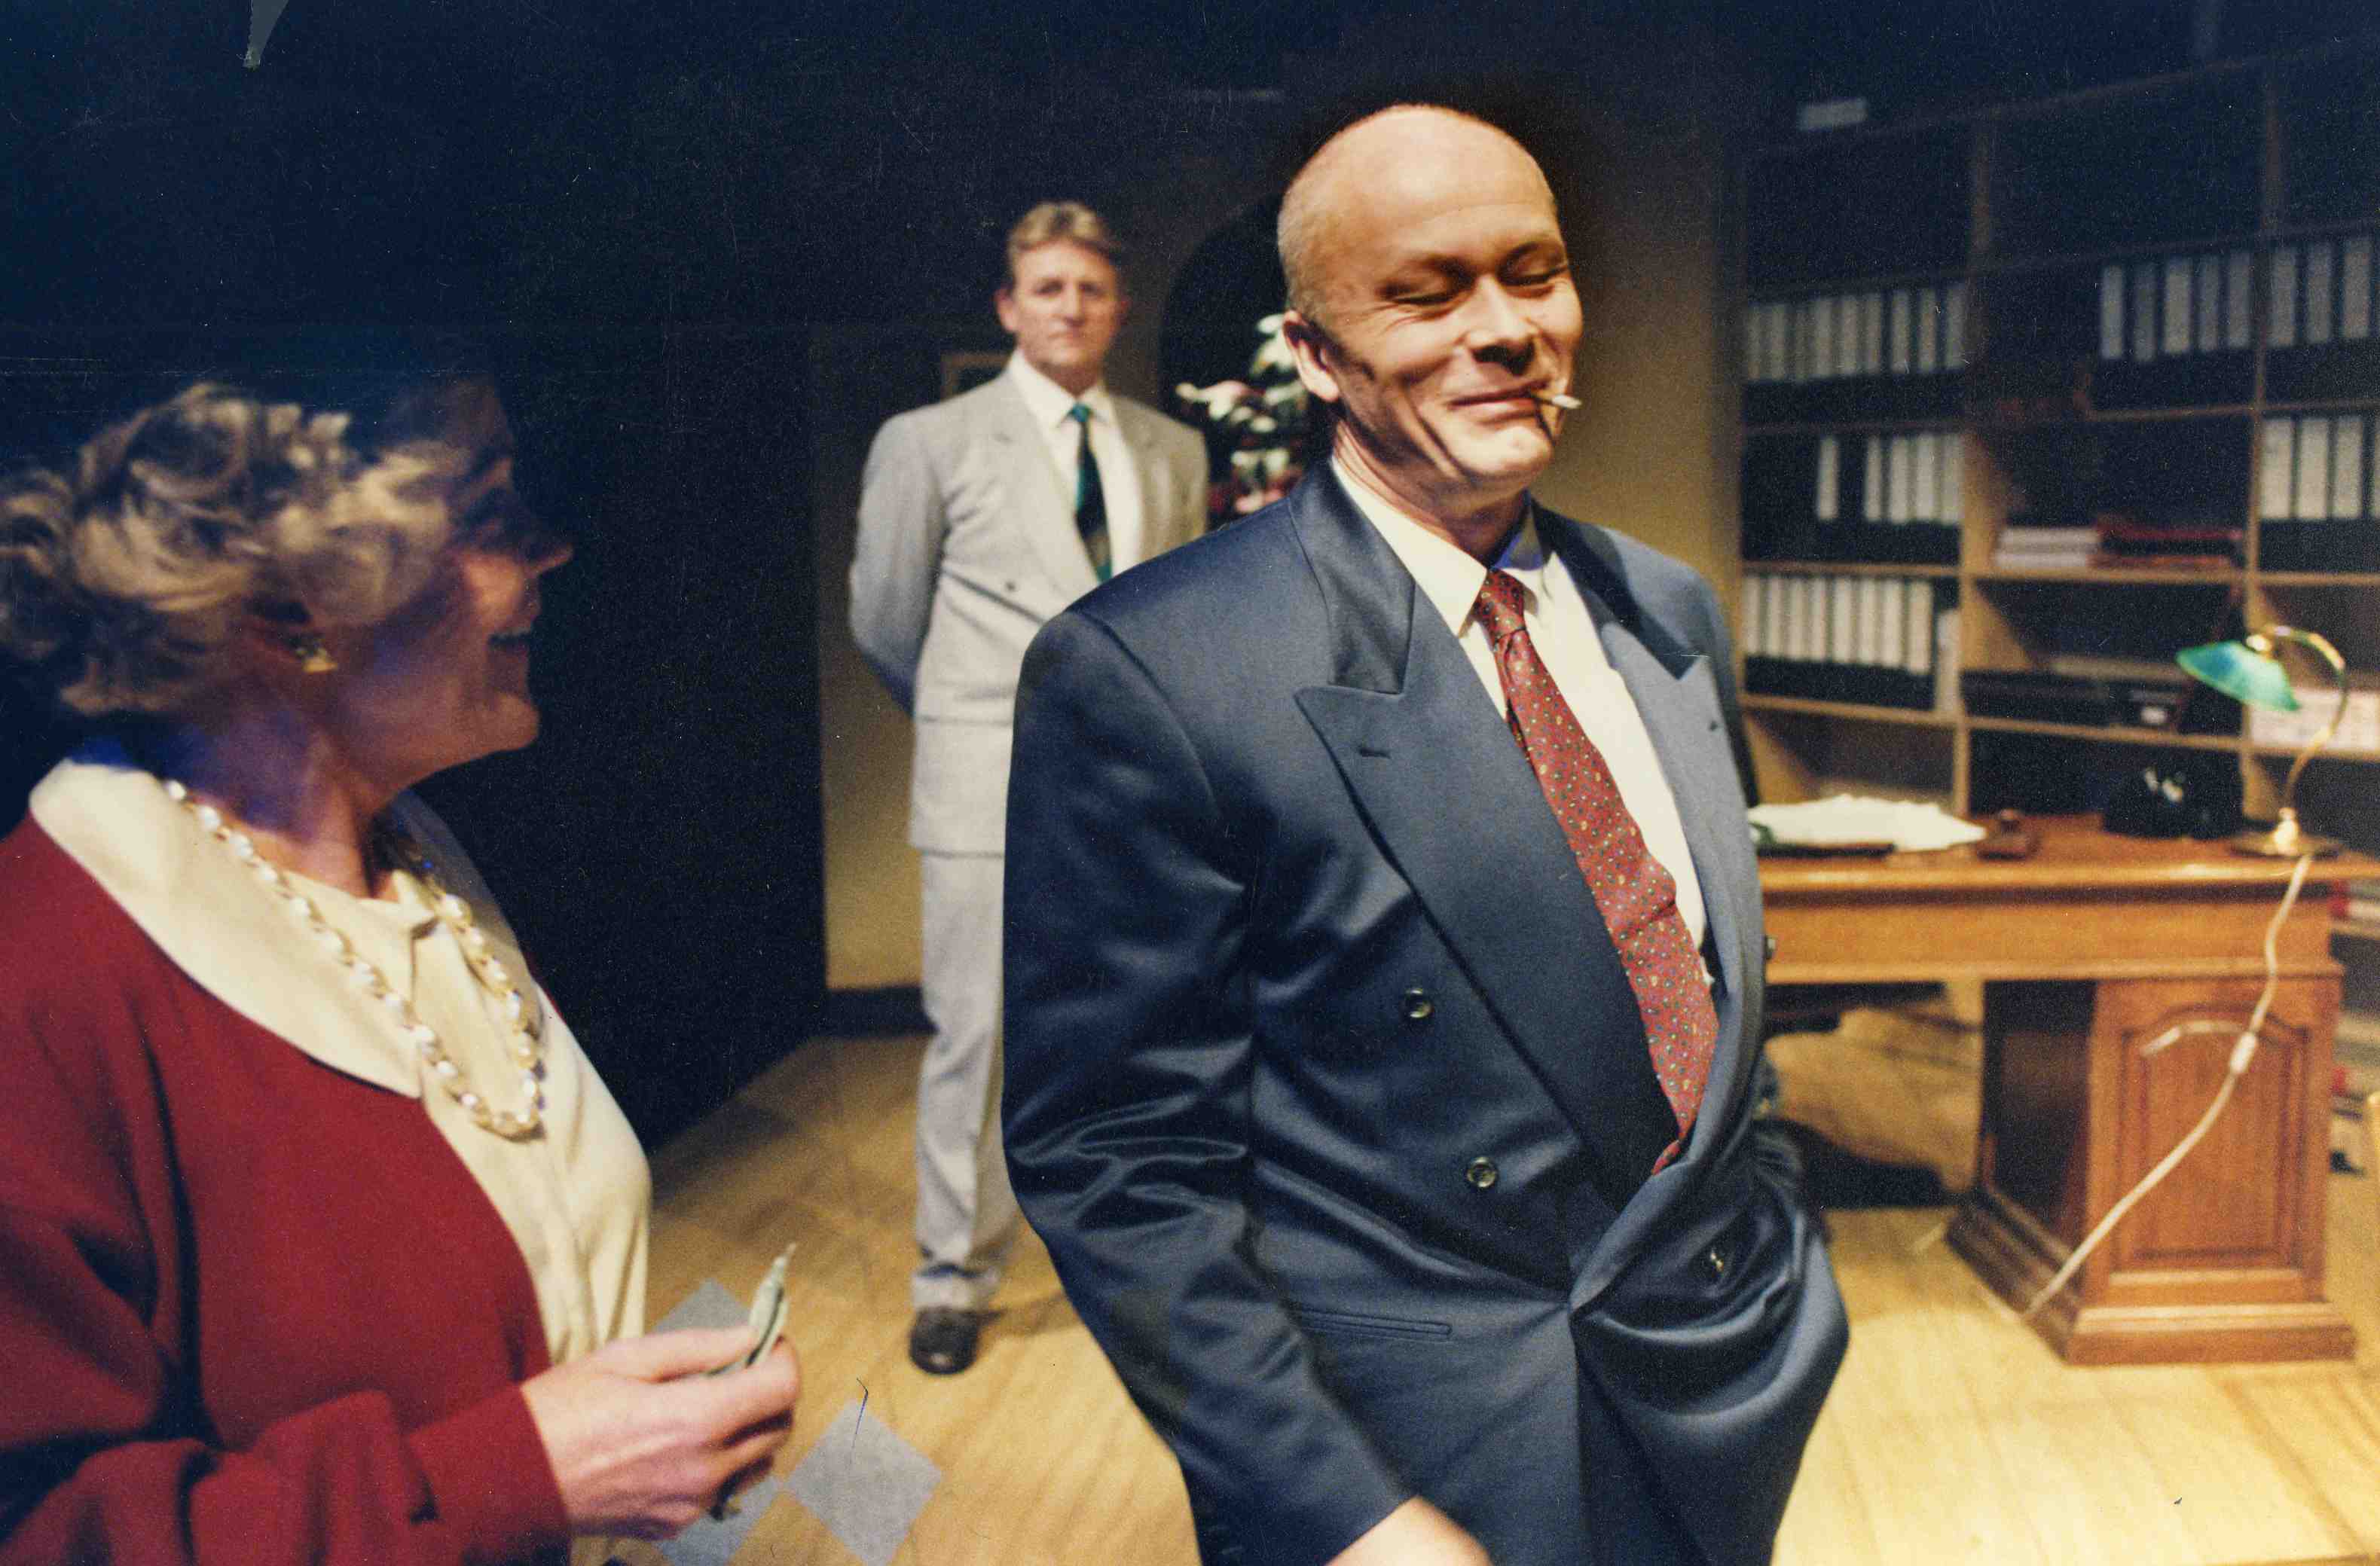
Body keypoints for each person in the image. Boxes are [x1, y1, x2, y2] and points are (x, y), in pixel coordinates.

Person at [1002, 106, 1845, 1566]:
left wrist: (1778, 1258)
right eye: (1428, 291)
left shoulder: (1665, 608)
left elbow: (1708, 990)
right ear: (1314, 354)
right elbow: (1117, 1156)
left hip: (1716, 1380)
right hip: (1420, 1464)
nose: (1506, 328)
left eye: (1534, 272)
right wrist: (1340, 1512)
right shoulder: (1153, 669)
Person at [0, 376, 801, 1564]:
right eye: (485, 513)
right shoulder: (44, 979)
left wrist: (684, 1449)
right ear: (289, 603)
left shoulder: (412, 864)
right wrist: (515, 1480)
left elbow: (526, 1315)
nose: (552, 546)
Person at [849, 200, 1208, 1375]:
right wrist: (976, 725)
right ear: (1009, 307)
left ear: (1119, 308)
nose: (1070, 309)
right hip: (986, 778)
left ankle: (1136, 1265)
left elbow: (1176, 623)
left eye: (1092, 290)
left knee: (1136, 1029)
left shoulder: (1170, 450)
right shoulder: (931, 441)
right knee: (980, 1033)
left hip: (1129, 791)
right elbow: (887, 622)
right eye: (1048, 288)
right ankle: (953, 1276)